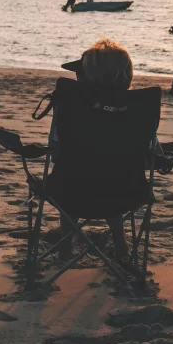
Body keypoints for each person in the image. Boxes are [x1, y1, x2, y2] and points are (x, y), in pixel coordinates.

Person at [47, 38, 149, 261]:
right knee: (112, 174)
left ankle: (66, 246)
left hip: (72, 188)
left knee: (72, 173)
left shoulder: (70, 104)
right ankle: (121, 245)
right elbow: (148, 150)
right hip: (124, 190)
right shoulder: (139, 106)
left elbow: (55, 148)